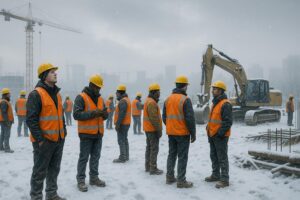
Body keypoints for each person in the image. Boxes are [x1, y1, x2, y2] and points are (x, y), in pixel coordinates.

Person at [27, 63, 67, 200]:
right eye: (51, 72)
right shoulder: (36, 94)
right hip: (44, 141)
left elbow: (60, 115)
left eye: (55, 72)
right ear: (44, 76)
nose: (55, 74)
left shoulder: (57, 94)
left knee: (54, 169)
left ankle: (51, 194)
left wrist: (64, 132)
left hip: (58, 139)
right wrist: (40, 140)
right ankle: (36, 196)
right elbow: (31, 120)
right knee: (39, 172)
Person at [73, 74, 108, 192]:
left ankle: (94, 178)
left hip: (98, 133)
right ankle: (81, 180)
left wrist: (104, 114)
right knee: (84, 157)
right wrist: (94, 113)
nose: (99, 90)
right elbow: (76, 114)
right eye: (97, 87)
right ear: (91, 85)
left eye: (100, 88)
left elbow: (104, 115)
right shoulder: (81, 97)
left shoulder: (100, 99)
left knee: (95, 157)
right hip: (86, 134)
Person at [163, 75, 196, 188]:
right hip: (182, 133)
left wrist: (171, 126)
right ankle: (181, 181)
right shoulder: (185, 100)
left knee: (171, 154)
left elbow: (164, 117)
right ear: (185, 86)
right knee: (182, 156)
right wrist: (193, 133)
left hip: (171, 133)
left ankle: (169, 177)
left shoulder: (168, 99)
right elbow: (190, 119)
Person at [205, 81, 232, 189]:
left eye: (215, 89)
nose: (212, 91)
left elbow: (227, 122)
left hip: (220, 136)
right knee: (214, 156)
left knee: (222, 158)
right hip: (212, 135)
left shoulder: (225, 104)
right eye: (213, 89)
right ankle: (215, 175)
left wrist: (220, 134)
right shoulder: (215, 102)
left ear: (220, 91)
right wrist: (208, 128)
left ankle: (224, 179)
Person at [144, 83, 163, 175]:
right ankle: (153, 168)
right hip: (152, 130)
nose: (159, 93)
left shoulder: (148, 100)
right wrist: (159, 130)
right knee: (154, 149)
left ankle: (148, 166)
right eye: (158, 91)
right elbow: (154, 119)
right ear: (154, 92)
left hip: (148, 129)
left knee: (149, 148)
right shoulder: (152, 102)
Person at [113, 84, 131, 163]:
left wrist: (117, 124)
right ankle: (126, 156)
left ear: (120, 93)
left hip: (122, 124)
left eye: (116, 93)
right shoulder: (126, 100)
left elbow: (121, 114)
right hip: (126, 123)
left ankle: (122, 157)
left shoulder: (123, 101)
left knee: (121, 140)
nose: (116, 94)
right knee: (124, 139)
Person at [0, 88, 14, 153]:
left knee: (3, 134)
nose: (10, 95)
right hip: (5, 121)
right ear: (6, 94)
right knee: (6, 135)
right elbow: (4, 112)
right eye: (9, 94)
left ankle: (1, 147)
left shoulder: (4, 101)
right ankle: (7, 148)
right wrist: (7, 122)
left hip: (3, 121)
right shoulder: (4, 102)